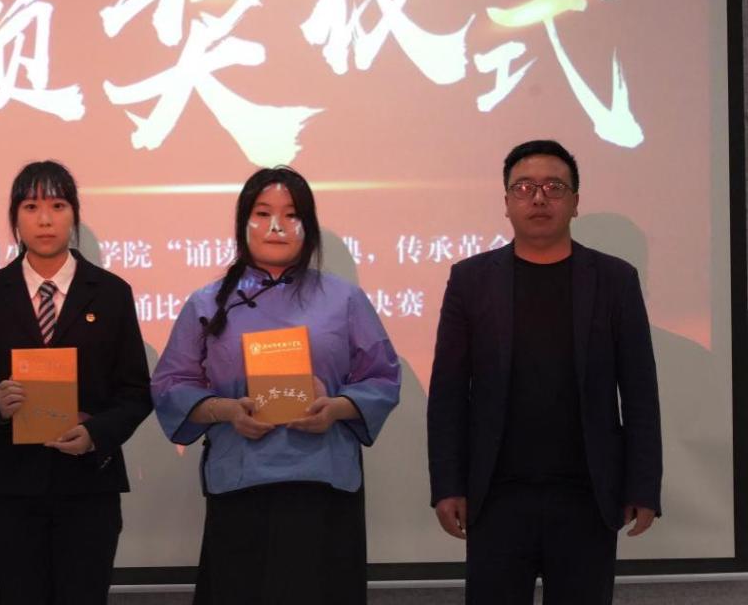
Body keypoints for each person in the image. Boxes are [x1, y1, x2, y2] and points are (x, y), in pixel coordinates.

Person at [427, 139, 662, 604]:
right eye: (524, 187)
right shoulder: (471, 280)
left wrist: (643, 486)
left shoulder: (615, 280)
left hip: (588, 495)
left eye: (554, 187)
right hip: (496, 495)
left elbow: (639, 392)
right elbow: (449, 392)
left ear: (575, 202)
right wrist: (447, 486)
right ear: (506, 202)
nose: (539, 198)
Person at [151, 166, 401, 605]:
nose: (276, 226)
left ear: (308, 225)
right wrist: (226, 410)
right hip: (240, 481)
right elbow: (172, 383)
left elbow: (383, 376)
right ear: (243, 223)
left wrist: (337, 406)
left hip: (323, 483)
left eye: (291, 215)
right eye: (263, 213)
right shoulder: (207, 302)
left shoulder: (344, 298)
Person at [0, 160, 153, 605]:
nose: (45, 219)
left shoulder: (111, 292)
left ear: (74, 215)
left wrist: (96, 432)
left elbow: (136, 393)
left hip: (89, 487)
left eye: (57, 206)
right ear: (15, 217)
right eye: (31, 207)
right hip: (12, 488)